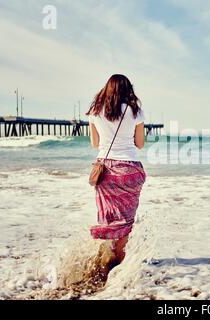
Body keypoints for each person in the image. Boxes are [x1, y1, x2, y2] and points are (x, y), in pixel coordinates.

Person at [86, 74, 146, 268]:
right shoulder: (135, 111)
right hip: (130, 169)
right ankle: (120, 266)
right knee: (126, 222)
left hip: (105, 171)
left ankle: (105, 261)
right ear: (128, 90)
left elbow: (95, 144)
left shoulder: (95, 112)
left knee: (109, 219)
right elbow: (140, 144)